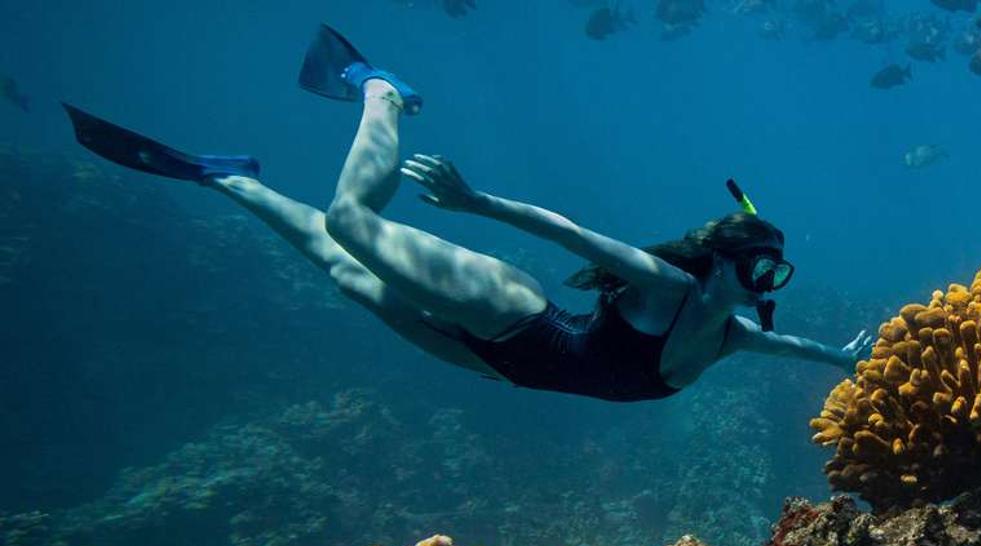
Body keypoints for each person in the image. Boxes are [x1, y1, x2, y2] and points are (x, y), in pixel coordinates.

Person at [63, 25, 869, 403]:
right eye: (763, 267)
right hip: (515, 316)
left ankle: (225, 179)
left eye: (777, 273)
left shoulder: (736, 336)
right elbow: (570, 233)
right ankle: (379, 88)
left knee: (349, 276)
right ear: (723, 260)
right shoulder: (665, 285)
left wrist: (838, 359)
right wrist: (474, 201)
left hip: (502, 365)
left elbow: (793, 346)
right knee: (351, 221)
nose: (772, 283)